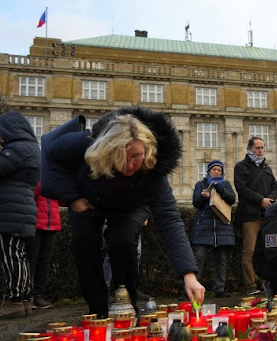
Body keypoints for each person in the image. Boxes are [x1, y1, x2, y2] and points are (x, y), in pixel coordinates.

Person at [43, 107, 205, 318]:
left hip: (131, 206)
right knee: (84, 243)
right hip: (87, 200)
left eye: (136, 156)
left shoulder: (153, 171)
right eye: (120, 158)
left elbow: (169, 219)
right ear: (106, 152)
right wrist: (72, 197)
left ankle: (128, 308)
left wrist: (189, 275)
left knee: (123, 242)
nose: (130, 165)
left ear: (147, 150)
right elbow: (51, 156)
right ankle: (98, 312)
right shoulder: (84, 143)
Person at [0, 111, 41, 319]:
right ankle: (24, 299)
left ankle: (14, 301)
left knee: (11, 256)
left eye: (1, 131)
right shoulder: (29, 148)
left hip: (9, 209)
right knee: (19, 256)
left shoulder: (18, 148)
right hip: (19, 208)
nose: (0, 136)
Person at [234, 137, 277, 295]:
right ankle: (251, 285)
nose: (260, 151)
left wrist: (270, 200)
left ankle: (267, 281)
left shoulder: (267, 168)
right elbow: (242, 189)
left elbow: (275, 185)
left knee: (268, 249)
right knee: (249, 251)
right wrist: (261, 200)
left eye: (262, 148)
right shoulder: (241, 167)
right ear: (249, 149)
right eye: (257, 148)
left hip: (267, 216)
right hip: (250, 216)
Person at [192, 160, 236, 298]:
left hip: (222, 226)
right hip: (204, 226)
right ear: (209, 171)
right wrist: (203, 197)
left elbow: (232, 199)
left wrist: (220, 189)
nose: (216, 172)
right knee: (198, 257)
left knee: (221, 260)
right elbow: (195, 203)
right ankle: (192, 288)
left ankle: (219, 288)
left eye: (219, 170)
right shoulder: (201, 184)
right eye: (214, 169)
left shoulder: (226, 184)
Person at [25, 182, 62, 310]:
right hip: (36, 223)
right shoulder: (36, 176)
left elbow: (62, 200)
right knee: (31, 261)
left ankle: (38, 296)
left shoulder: (53, 177)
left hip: (52, 224)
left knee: (43, 262)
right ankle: (27, 296)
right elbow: (30, 194)